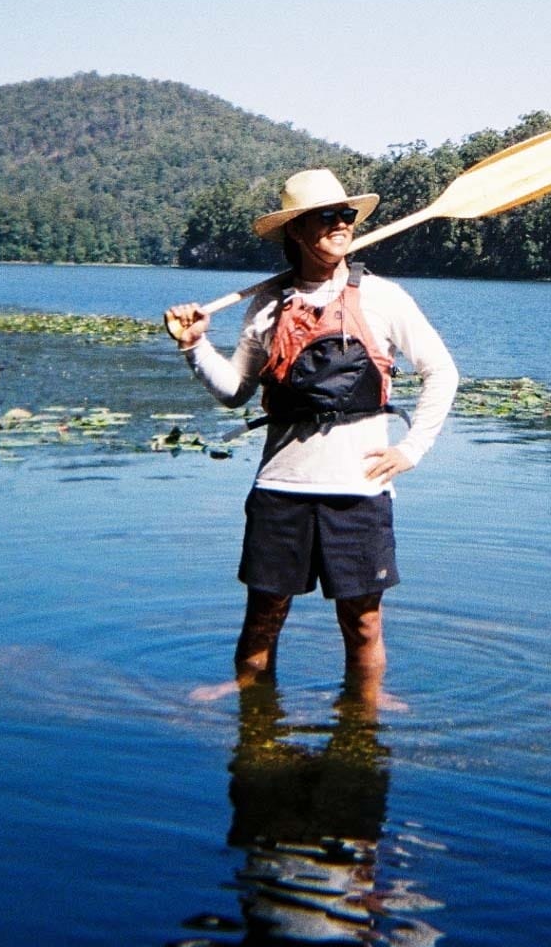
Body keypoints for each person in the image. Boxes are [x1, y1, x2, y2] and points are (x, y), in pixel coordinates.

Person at [164, 168, 458, 694]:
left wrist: (413, 449)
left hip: (359, 490)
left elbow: (442, 371)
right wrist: (194, 347)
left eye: (346, 215)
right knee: (262, 618)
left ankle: (364, 715)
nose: (341, 224)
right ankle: (251, 708)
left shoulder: (384, 298)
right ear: (295, 231)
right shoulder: (267, 307)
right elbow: (235, 391)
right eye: (326, 216)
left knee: (363, 622)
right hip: (282, 488)